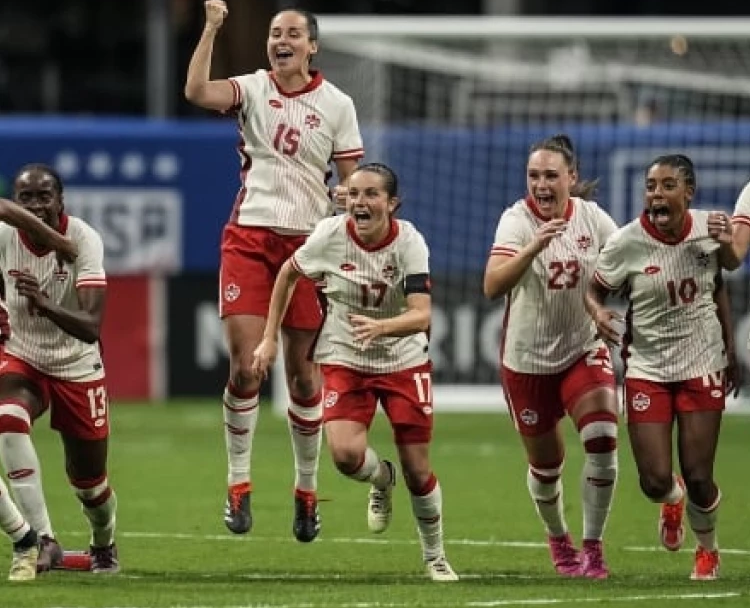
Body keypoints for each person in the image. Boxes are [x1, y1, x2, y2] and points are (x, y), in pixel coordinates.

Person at [185, 0, 363, 542]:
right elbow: (195, 92)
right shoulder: (253, 88)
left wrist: (346, 205)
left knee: (305, 377)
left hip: (309, 247)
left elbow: (355, 184)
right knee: (245, 367)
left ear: (312, 46)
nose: (279, 41)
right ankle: (238, 485)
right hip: (250, 239)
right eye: (272, 33)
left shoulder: (337, 105)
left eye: (291, 33)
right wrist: (212, 28)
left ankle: (306, 492)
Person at [252, 163, 458, 582]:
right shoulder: (330, 235)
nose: (359, 202)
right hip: (346, 357)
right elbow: (289, 273)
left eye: (371, 194)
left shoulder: (410, 244)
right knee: (346, 458)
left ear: (392, 204)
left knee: (420, 470)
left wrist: (382, 326)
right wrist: (269, 337)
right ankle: (382, 479)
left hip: (403, 359)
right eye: (354, 193)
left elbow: (421, 316)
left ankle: (434, 556)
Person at [586, 154, 734, 581]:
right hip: (648, 367)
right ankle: (672, 500)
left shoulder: (711, 230)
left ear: (689, 192)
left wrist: (729, 349)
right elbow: (593, 290)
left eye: (668, 185)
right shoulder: (626, 242)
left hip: (701, 362)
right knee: (653, 480)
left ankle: (708, 550)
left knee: (700, 475)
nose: (656, 194)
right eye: (651, 186)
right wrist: (597, 313)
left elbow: (720, 282)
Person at [483, 135, 619, 579]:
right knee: (546, 468)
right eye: (534, 175)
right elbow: (491, 286)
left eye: (551, 176)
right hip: (527, 362)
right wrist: (533, 247)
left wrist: (603, 308)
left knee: (601, 438)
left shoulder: (593, 219)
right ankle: (559, 539)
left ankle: (594, 547)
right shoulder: (516, 221)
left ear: (571, 179)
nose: (541, 185)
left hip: (582, 348)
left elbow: (628, 262)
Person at [0, 163, 119, 575]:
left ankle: (104, 544)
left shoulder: (84, 239)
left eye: (43, 196)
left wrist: (45, 304)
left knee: (90, 485)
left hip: (76, 364)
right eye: (25, 197)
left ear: (61, 200)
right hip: (22, 355)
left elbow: (91, 327)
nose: (35, 205)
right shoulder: (4, 236)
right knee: (7, 420)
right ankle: (42, 539)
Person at [0, 195, 78, 581]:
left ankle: (28, 539)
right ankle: (27, 538)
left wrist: (58, 241)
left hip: (17, 346)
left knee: (9, 418)